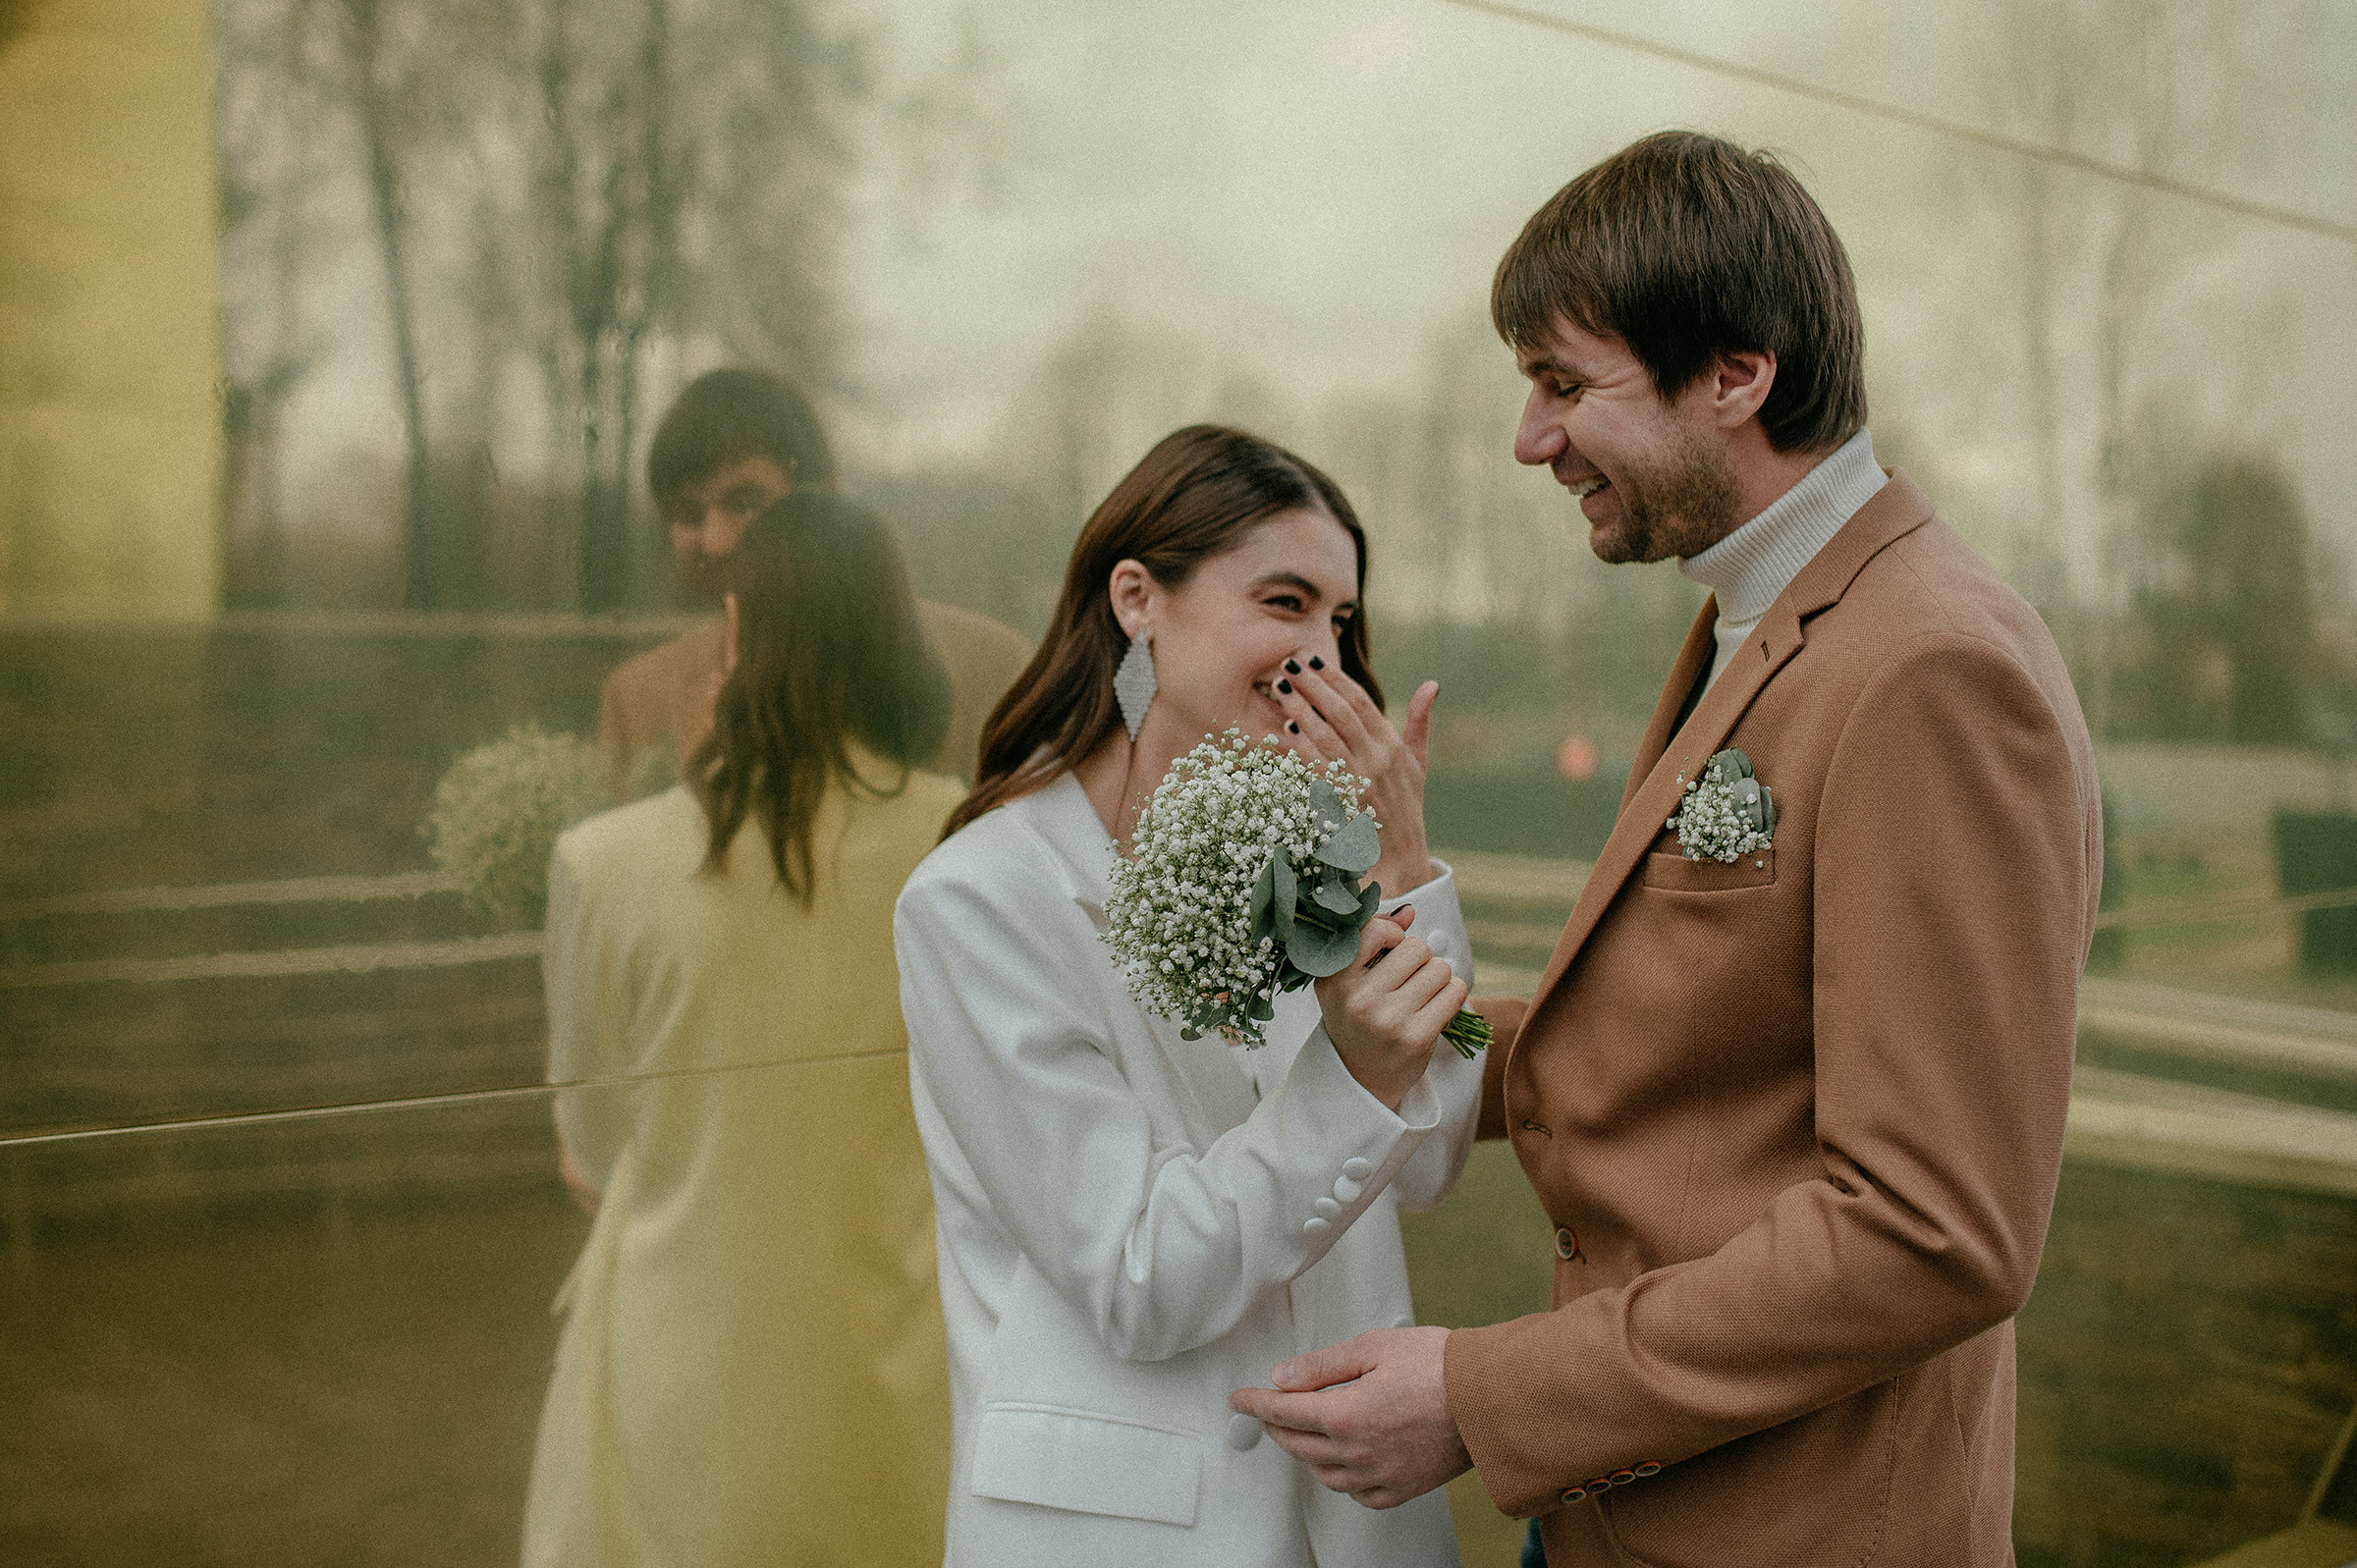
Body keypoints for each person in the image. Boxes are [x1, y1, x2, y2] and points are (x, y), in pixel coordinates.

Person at [1231, 132, 2103, 1568]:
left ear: (1736, 374)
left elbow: (1933, 1231)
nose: (1529, 438)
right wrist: (1375, 1013)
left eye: (1565, 385)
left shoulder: (1932, 669)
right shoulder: (1758, 617)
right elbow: (1683, 1041)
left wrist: (1481, 1396)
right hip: (1630, 1513)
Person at [894, 425, 1484, 1566]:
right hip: (1130, 1534)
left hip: (1364, 1527)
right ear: (1136, 600)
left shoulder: (1318, 857)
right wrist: (1352, 1070)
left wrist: (1405, 867)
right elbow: (1136, 1275)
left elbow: (1430, 1158)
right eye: (1285, 600)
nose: (1323, 654)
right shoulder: (978, 901)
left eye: (1341, 622)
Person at [522, 492, 966, 1567]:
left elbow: (592, 1151)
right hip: (905, 1374)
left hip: (673, 1379)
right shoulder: (970, 836)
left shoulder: (604, 862)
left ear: (736, 634)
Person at [595, 366, 1033, 794]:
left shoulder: (991, 667)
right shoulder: (637, 697)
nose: (716, 542)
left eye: (745, 502)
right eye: (688, 515)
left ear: (829, 503)